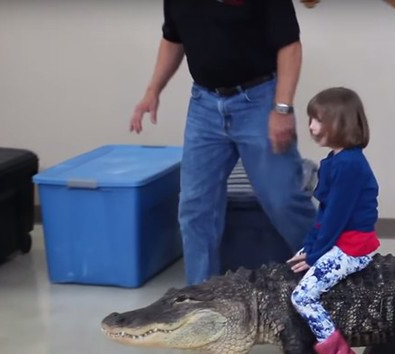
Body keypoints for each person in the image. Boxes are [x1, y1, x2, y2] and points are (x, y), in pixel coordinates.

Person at [129, 0, 316, 285]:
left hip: (259, 100)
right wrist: (152, 91)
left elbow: (289, 45)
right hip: (204, 105)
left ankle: (330, 278)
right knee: (195, 208)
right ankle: (201, 299)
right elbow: (173, 38)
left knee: (283, 200)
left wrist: (282, 108)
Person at [287, 87, 380, 354]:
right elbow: (324, 215)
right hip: (338, 240)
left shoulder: (350, 165)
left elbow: (337, 219)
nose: (311, 127)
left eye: (318, 120)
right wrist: (308, 247)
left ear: (341, 123)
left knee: (303, 296)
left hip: (354, 247)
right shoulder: (334, 161)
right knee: (299, 273)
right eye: (311, 119)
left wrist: (315, 255)